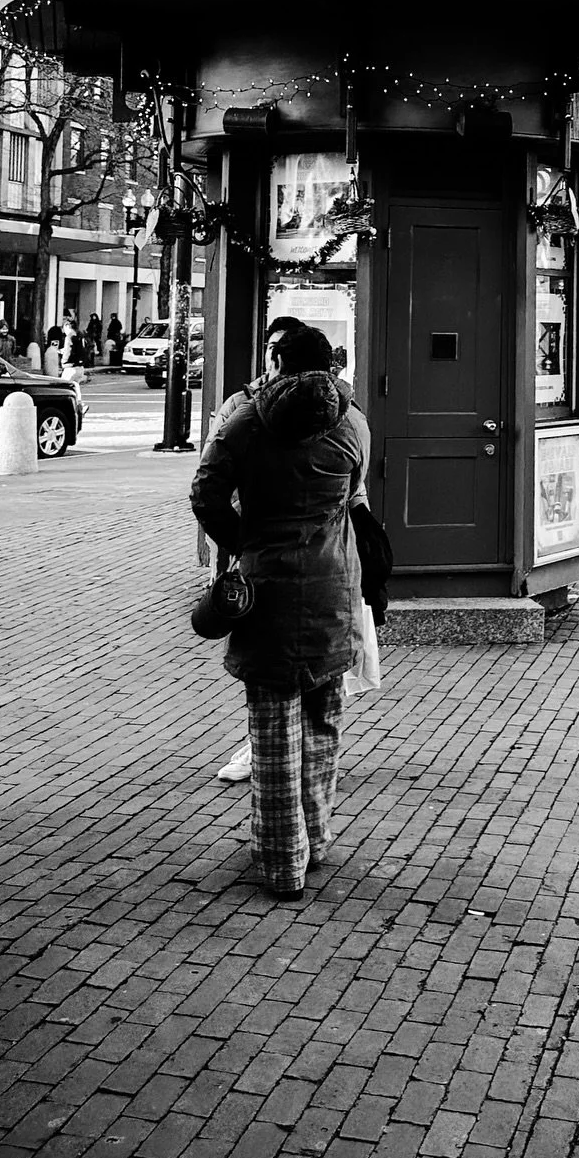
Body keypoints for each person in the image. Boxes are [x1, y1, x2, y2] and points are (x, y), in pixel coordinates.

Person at [190, 326, 369, 901]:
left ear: (277, 363)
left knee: (271, 737)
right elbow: (355, 495)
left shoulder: (243, 421)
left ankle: (280, 861)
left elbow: (205, 494)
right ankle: (316, 840)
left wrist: (243, 542)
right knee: (323, 725)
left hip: (267, 590)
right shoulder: (352, 423)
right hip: (333, 589)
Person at [213, 315, 305, 783]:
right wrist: (235, 543)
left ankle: (267, 750)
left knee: (281, 663)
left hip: (295, 555)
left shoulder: (335, 413)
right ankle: (266, 747)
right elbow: (211, 479)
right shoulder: (242, 404)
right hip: (260, 550)